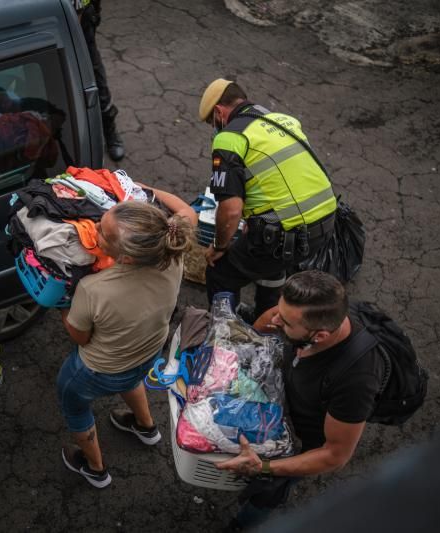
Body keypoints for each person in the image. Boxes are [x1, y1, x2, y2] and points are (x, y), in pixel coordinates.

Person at [215, 270, 386, 529]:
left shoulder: (355, 380)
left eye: (284, 322)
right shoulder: (307, 314)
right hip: (283, 407)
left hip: (302, 441)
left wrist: (264, 467)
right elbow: (269, 319)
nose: (275, 320)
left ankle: (243, 524)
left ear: (319, 337)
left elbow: (334, 455)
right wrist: (245, 343)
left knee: (267, 492)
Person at [57, 188, 198, 488]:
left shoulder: (93, 289)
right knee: (133, 378)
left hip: (98, 371)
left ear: (127, 258)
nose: (95, 229)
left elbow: (79, 337)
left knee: (75, 406)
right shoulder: (173, 251)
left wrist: (61, 306)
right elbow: (187, 211)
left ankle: (95, 469)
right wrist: (147, 190)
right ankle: (145, 427)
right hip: (148, 351)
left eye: (104, 235)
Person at [199, 79, 338, 318]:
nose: (215, 127)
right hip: (326, 220)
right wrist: (255, 220)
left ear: (220, 112)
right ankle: (266, 317)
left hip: (287, 234)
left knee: (220, 272)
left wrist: (219, 246)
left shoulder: (230, 137)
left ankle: (227, 335)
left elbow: (231, 209)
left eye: (213, 122)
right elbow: (282, 180)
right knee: (269, 261)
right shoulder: (283, 121)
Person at [72, 0, 125, 161]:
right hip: (53, 21)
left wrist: (94, 12)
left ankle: (110, 132)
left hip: (83, 19)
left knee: (96, 79)